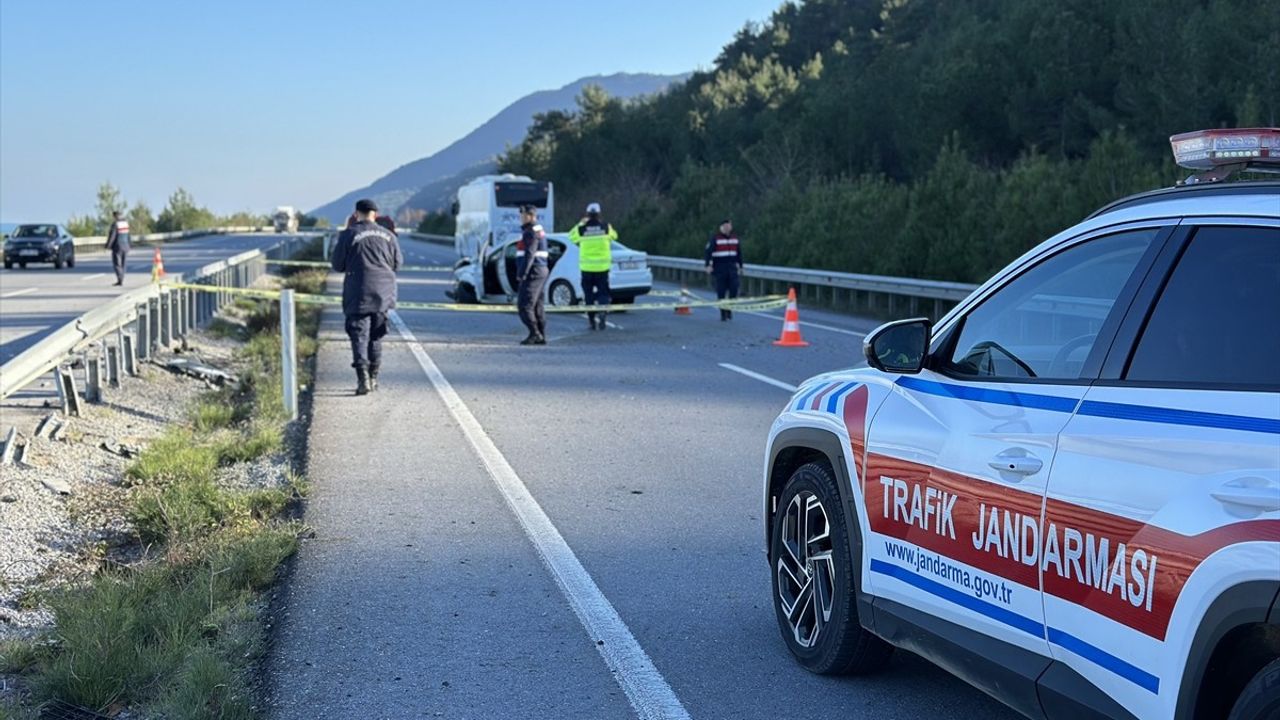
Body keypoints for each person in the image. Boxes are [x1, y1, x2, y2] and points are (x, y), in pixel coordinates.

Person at [331, 198, 402, 395]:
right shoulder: (389, 236)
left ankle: (362, 379)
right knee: (376, 336)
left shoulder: (349, 234)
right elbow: (397, 264)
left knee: (359, 335)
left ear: (356, 214)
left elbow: (337, 265)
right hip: (383, 293)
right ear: (375, 214)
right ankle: (373, 377)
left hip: (358, 292)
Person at [566, 202, 617, 330]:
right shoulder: (606, 227)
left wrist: (580, 223)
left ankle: (591, 321)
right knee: (603, 293)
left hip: (587, 269)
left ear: (587, 215)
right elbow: (615, 236)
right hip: (602, 268)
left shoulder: (581, 229)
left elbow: (570, 237)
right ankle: (603, 313)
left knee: (588, 295)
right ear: (599, 214)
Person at [515, 205, 548, 345]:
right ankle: (541, 335)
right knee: (537, 305)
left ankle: (535, 334)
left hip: (533, 272)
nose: (521, 218)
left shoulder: (530, 232)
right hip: (540, 270)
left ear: (530, 216)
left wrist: (522, 273)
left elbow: (529, 254)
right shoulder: (539, 230)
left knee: (524, 305)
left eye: (523, 215)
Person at [705, 219, 743, 320]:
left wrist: (741, 266)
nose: (727, 228)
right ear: (721, 227)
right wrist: (708, 265)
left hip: (732, 268)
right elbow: (708, 252)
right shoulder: (715, 238)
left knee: (734, 289)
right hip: (720, 268)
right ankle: (723, 313)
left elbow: (739, 253)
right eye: (725, 226)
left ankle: (729, 309)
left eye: (729, 226)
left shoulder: (735, 238)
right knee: (721, 291)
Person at [105, 211, 130, 286]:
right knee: (123, 263)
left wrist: (108, 245)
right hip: (125, 246)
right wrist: (129, 245)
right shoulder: (125, 223)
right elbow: (128, 236)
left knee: (117, 263)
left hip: (117, 246)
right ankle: (121, 277)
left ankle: (120, 279)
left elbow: (112, 236)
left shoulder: (115, 224)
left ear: (115, 216)